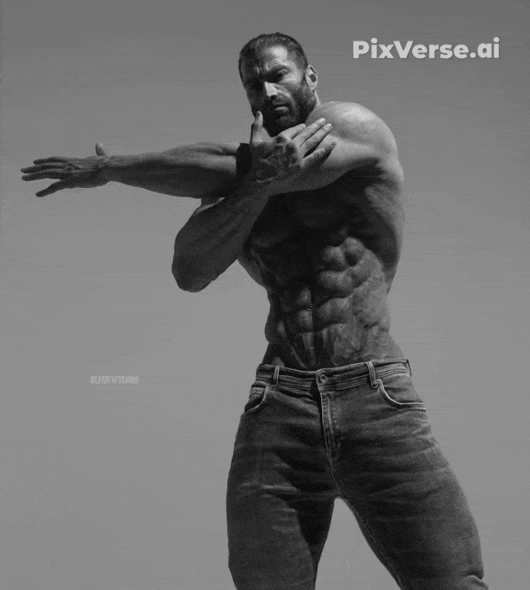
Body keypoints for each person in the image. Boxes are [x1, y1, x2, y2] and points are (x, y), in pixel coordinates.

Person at [21, 32, 488, 590]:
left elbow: (275, 166)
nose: (266, 92)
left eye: (278, 75)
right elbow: (190, 271)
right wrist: (255, 190)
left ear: (310, 77)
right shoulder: (237, 183)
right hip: (279, 402)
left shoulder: (355, 127)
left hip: (374, 395)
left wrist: (115, 167)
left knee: (453, 582)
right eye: (252, 84)